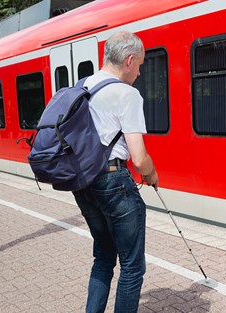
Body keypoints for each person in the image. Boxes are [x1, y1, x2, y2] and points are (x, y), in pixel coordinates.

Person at [72, 31, 159, 313]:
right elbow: (139, 157)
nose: (140, 72)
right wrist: (152, 174)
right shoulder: (127, 94)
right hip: (113, 183)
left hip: (83, 184)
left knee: (103, 257)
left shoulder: (82, 86)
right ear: (129, 61)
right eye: (140, 65)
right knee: (132, 267)